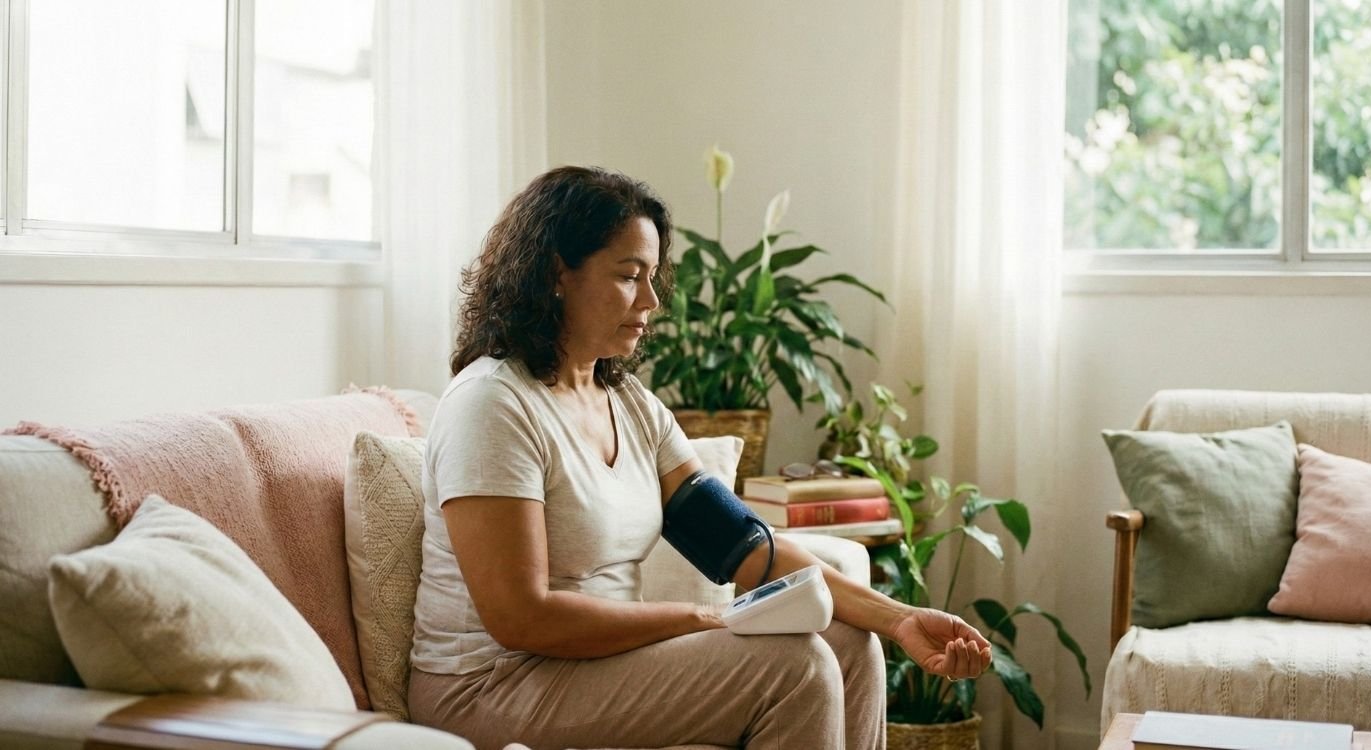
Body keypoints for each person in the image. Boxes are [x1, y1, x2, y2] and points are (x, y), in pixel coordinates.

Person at [407, 166, 993, 750]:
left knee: (850, 646)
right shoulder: (494, 404)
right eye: (629, 275)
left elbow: (744, 546)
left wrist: (897, 619)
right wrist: (698, 618)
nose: (651, 299)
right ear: (557, 273)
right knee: (797, 666)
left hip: (594, 667)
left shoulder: (630, 405)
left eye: (653, 276)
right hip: (490, 685)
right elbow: (522, 619)